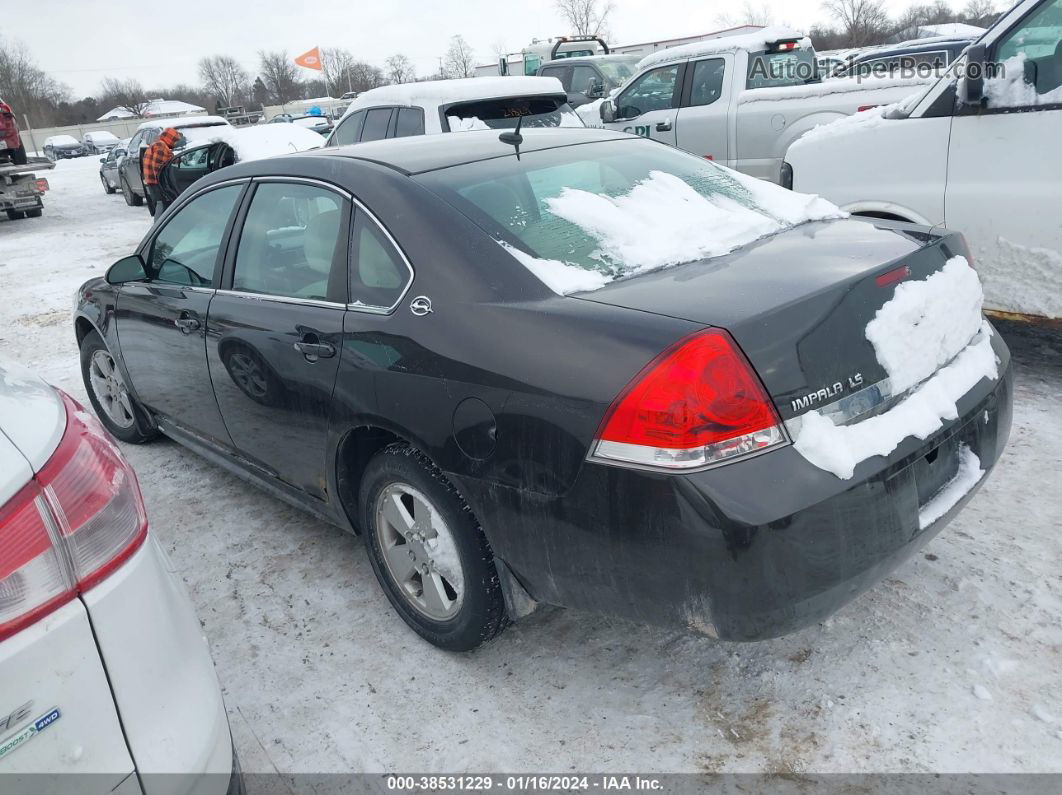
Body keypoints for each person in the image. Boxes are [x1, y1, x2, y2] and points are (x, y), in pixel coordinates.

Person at [141, 127, 180, 217]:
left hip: (152, 181)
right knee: (162, 205)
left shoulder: (157, 144)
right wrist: (164, 185)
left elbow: (164, 161)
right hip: (156, 182)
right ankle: (159, 226)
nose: (175, 143)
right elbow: (158, 167)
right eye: (174, 140)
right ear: (170, 138)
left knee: (160, 204)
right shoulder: (161, 146)